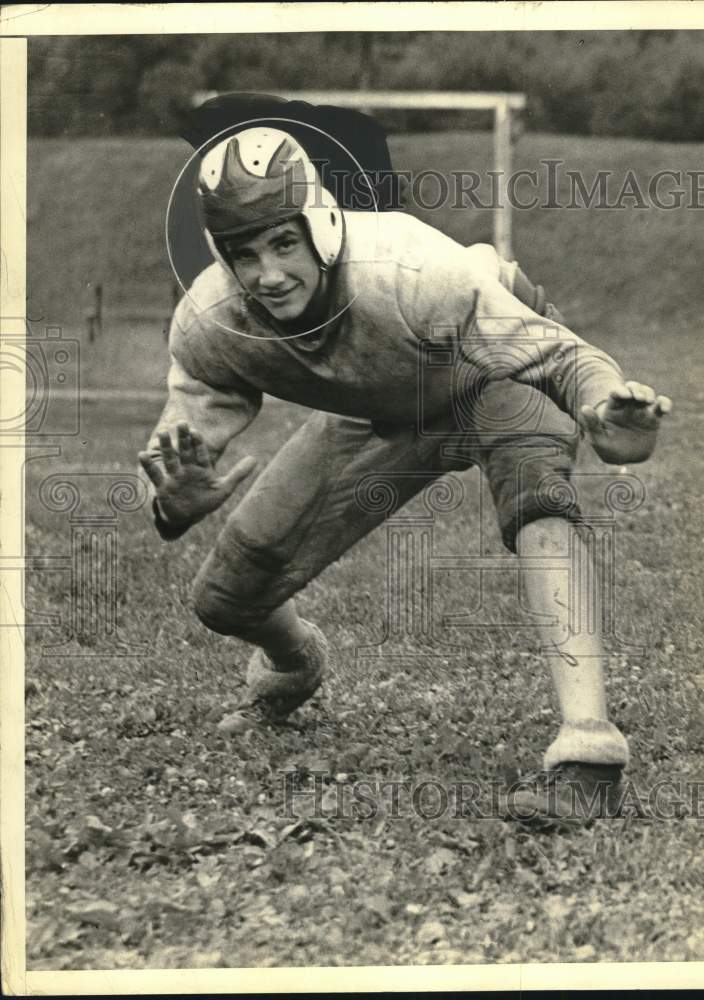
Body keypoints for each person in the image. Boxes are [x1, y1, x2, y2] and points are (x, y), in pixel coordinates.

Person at [139, 126, 671, 818]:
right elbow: (176, 450)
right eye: (245, 253)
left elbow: (563, 359)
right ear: (221, 256)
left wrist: (603, 404)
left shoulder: (414, 273)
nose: (268, 274)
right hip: (384, 409)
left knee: (537, 503)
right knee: (225, 599)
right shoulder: (213, 322)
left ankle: (589, 753)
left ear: (322, 227)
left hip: (490, 374)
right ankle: (295, 666)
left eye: (284, 243)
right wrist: (173, 503)